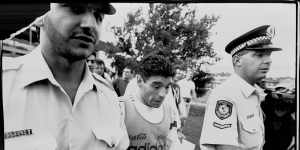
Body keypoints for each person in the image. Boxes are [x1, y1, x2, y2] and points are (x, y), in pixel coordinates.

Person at [2, 3, 129, 150]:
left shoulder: (108, 96)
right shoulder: (6, 82)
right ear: (39, 17)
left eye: (98, 15)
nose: (90, 24)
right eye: (75, 9)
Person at [200, 25, 282, 150]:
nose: (268, 61)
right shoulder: (226, 95)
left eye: (269, 55)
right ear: (237, 60)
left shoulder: (252, 94)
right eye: (259, 55)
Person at [120, 53, 182, 150]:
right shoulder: (121, 109)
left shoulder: (169, 110)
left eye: (167, 87)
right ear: (139, 80)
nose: (163, 94)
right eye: (156, 86)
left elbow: (173, 143)